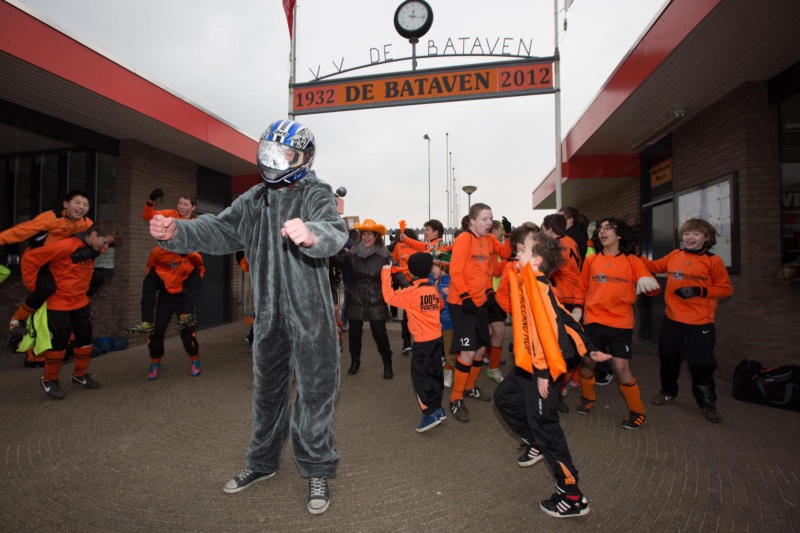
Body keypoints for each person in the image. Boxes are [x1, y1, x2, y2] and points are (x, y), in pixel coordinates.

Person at [149, 119, 347, 515]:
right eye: (269, 151)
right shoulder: (254, 199)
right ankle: (261, 463)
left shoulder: (315, 192)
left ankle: (317, 468)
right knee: (267, 393)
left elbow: (335, 229)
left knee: (315, 394)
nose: (274, 160)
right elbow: (219, 231)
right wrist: (177, 232)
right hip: (269, 317)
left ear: (304, 159)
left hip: (313, 318)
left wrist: (312, 234)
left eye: (285, 154)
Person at [493, 225, 611, 518]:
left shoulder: (539, 287)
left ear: (536, 261)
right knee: (504, 399)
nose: (516, 251)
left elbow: (555, 329)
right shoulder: (528, 281)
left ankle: (572, 496)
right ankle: (533, 440)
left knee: (545, 428)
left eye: (523, 249)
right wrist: (588, 347)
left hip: (543, 367)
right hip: (529, 364)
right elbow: (567, 318)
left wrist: (545, 371)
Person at [641, 218, 733, 423]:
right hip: (672, 318)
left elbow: (726, 289)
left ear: (706, 238)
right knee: (668, 357)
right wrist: (635, 255)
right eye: (686, 234)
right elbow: (654, 266)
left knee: (701, 364)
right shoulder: (675, 255)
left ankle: (708, 403)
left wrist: (699, 290)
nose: (689, 238)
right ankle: (668, 391)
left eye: (695, 234)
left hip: (700, 322)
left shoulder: (713, 261)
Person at [572, 218, 661, 430]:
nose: (603, 232)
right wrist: (577, 309)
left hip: (621, 322)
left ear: (619, 235)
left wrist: (651, 286)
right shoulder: (591, 260)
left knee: (621, 367)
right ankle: (588, 398)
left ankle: (638, 412)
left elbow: (652, 288)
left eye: (609, 228)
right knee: (588, 363)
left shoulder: (633, 261)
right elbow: (581, 287)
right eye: (601, 228)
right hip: (593, 320)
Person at [20, 222, 119, 400]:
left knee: (84, 338)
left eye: (108, 244)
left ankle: (79, 375)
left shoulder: (95, 248)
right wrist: (36, 287)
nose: (105, 248)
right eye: (104, 242)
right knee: (60, 340)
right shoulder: (66, 246)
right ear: (94, 234)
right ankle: (49, 379)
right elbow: (30, 259)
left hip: (79, 302)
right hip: (58, 303)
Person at [446, 203, 511, 422]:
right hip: (461, 302)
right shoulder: (464, 239)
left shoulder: (489, 239)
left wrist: (509, 235)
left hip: (481, 302)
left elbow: (505, 254)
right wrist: (465, 297)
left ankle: (469, 386)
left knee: (482, 348)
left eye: (490, 218)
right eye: (484, 219)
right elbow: (455, 271)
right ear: (472, 221)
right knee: (467, 351)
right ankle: (455, 399)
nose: (489, 222)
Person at [3, 191, 93, 331]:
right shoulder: (51, 217)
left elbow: (102, 237)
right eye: (77, 202)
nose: (81, 207)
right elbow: (22, 231)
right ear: (65, 204)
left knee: (96, 277)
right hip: (41, 261)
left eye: (86, 204)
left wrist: (93, 252)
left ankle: (81, 307)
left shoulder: (87, 223)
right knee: (47, 288)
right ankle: (20, 316)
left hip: (61, 262)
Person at [381, 252, 446, 432]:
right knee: (435, 374)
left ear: (410, 272)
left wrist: (386, 272)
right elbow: (440, 306)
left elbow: (389, 297)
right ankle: (438, 408)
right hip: (437, 340)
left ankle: (429, 413)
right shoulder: (432, 290)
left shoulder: (411, 292)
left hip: (421, 342)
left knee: (420, 378)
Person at [128, 190, 201, 333]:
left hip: (184, 262)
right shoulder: (170, 215)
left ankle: (186, 314)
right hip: (165, 262)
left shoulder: (195, 224)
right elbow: (147, 215)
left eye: (185, 204)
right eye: (180, 203)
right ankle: (147, 321)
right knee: (149, 281)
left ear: (193, 207)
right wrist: (151, 201)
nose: (181, 207)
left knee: (196, 279)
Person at [332, 219, 394, 378]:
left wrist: (407, 286)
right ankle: (355, 361)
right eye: (363, 234)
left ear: (376, 236)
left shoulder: (384, 255)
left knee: (379, 334)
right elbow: (339, 262)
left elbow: (396, 273)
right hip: (356, 299)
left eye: (369, 234)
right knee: (354, 335)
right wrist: (327, 250)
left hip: (376, 299)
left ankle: (387, 363)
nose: (366, 237)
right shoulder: (353, 253)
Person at [141, 246, 205, 380]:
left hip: (184, 297)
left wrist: (187, 310)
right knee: (156, 330)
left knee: (187, 330)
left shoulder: (193, 256)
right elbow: (149, 287)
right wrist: (147, 318)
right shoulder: (158, 253)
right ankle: (155, 362)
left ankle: (195, 359)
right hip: (165, 297)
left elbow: (195, 285)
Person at [393, 225, 423, 354]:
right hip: (418, 281)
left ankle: (406, 342)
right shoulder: (418, 245)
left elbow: (394, 261)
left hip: (404, 282)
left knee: (406, 313)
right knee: (419, 312)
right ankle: (420, 340)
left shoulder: (398, 246)